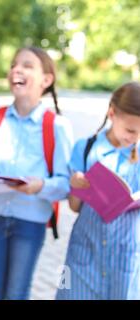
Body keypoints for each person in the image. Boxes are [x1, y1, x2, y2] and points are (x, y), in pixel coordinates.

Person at [0, 47, 73, 300]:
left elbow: (66, 185)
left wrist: (39, 186)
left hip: (30, 222)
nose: (16, 70)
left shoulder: (57, 126)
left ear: (46, 80)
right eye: (13, 65)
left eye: (27, 65)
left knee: (17, 293)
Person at [57, 82, 140, 300]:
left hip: (125, 259)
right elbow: (75, 207)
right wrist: (75, 186)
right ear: (112, 114)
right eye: (130, 130)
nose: (134, 138)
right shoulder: (85, 149)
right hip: (84, 253)